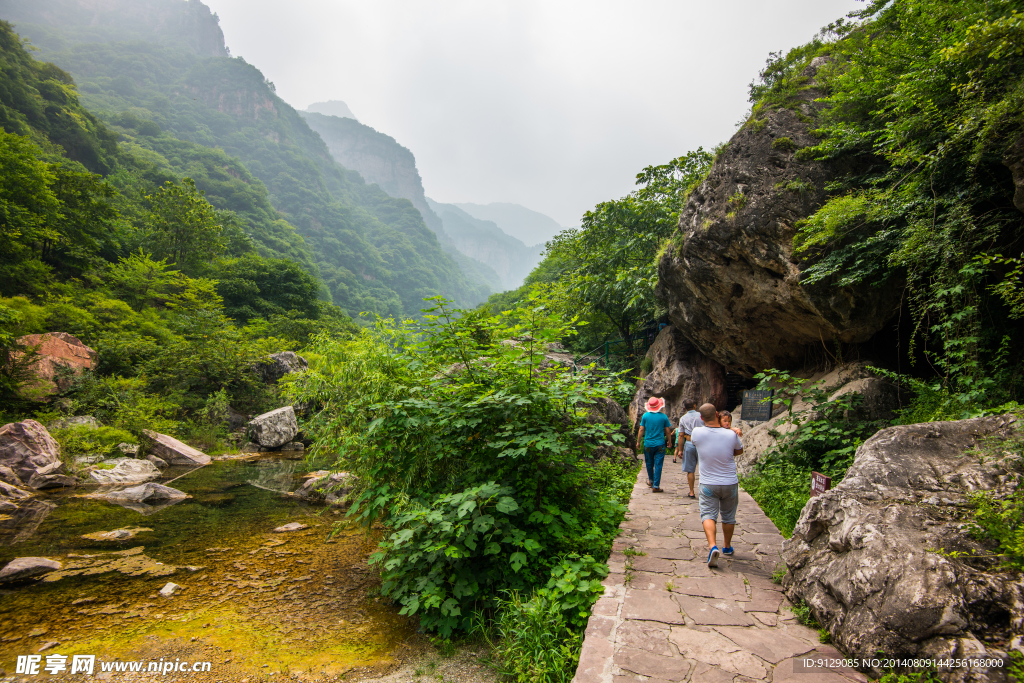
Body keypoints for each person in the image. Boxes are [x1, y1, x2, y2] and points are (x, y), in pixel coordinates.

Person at [691, 403, 743, 568]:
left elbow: (696, 444)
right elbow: (738, 451)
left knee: (708, 515)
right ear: (717, 415)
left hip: (708, 484)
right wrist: (732, 431)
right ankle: (727, 547)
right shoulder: (731, 435)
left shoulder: (697, 433)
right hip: (729, 483)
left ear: (701, 418)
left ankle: (713, 546)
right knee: (728, 516)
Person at [637, 396, 672, 493]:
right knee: (658, 464)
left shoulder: (645, 416)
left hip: (648, 444)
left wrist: (638, 441)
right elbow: (668, 431)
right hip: (660, 444)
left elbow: (641, 429)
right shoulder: (663, 417)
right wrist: (669, 441)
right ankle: (656, 486)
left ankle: (651, 481)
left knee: (649, 463)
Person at [675, 399, 703, 499]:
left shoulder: (683, 418)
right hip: (702, 444)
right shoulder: (701, 416)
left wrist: (680, 449)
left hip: (690, 443)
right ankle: (704, 492)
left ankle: (691, 492)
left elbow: (681, 435)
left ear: (685, 408)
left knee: (690, 470)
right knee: (704, 469)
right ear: (695, 406)